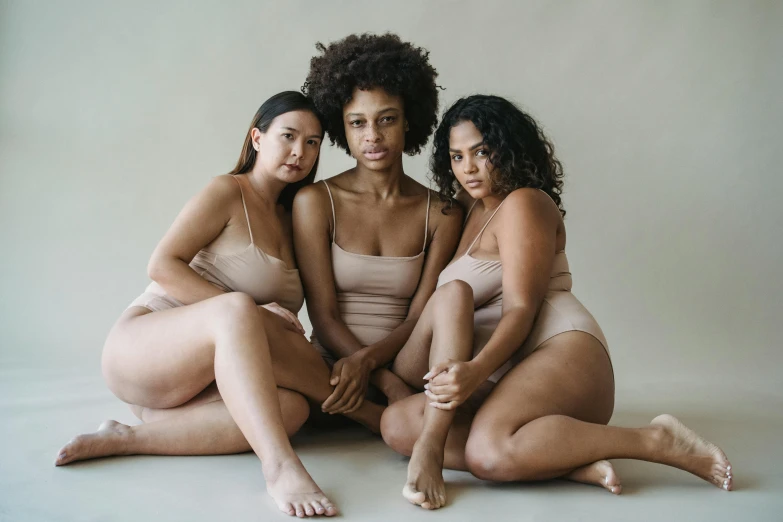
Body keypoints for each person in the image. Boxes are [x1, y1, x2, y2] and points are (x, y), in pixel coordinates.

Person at [380, 95, 733, 510]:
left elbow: (521, 311)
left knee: (487, 452)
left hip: (560, 351)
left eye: (481, 152)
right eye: (457, 156)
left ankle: (654, 440)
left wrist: (474, 371)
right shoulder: (469, 207)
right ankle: (562, 460)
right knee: (396, 424)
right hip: (505, 364)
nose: (468, 167)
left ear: (507, 149)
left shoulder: (525, 202)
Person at [54, 91, 385, 518]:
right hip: (143, 350)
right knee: (239, 309)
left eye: (312, 143)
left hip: (199, 384)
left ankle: (127, 437)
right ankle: (284, 464)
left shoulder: (293, 216)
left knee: (290, 409)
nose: (299, 152)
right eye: (288, 136)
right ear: (257, 138)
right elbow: (162, 264)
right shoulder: (228, 191)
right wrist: (252, 310)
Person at [296, 33, 463, 417]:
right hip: (334, 369)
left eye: (386, 119)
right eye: (357, 123)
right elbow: (323, 316)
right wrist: (378, 379)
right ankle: (377, 416)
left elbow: (421, 316)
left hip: (409, 367)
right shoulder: (317, 203)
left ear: (408, 122)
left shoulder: (440, 213)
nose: (372, 136)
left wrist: (380, 368)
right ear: (342, 128)